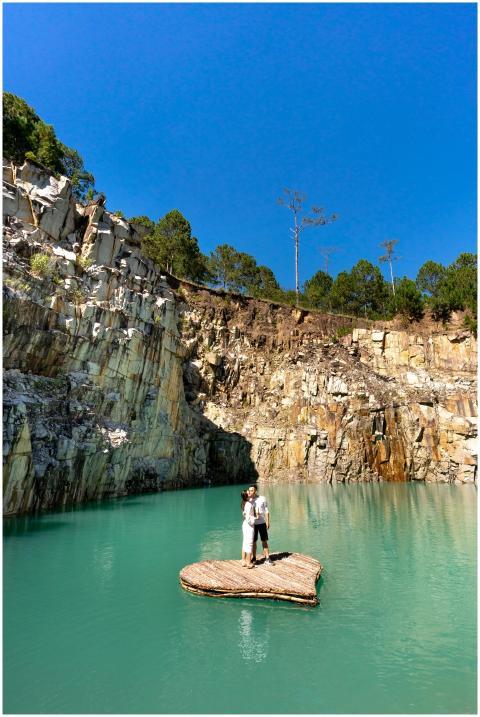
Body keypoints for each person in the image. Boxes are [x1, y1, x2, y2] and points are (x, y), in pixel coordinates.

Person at [247, 485, 271, 565]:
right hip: (253, 524)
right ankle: (254, 558)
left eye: (252, 490)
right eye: (249, 490)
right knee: (253, 541)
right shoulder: (248, 500)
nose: (250, 492)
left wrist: (267, 522)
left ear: (255, 491)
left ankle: (267, 558)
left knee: (264, 540)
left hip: (262, 523)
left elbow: (266, 511)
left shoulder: (262, 498)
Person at [240, 490, 255, 568]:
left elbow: (245, 514)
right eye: (249, 493)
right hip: (248, 525)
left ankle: (243, 561)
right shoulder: (248, 504)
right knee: (249, 543)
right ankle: (248, 563)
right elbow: (249, 518)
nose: (251, 493)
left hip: (244, 524)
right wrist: (254, 520)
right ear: (247, 496)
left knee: (245, 542)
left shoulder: (243, 502)